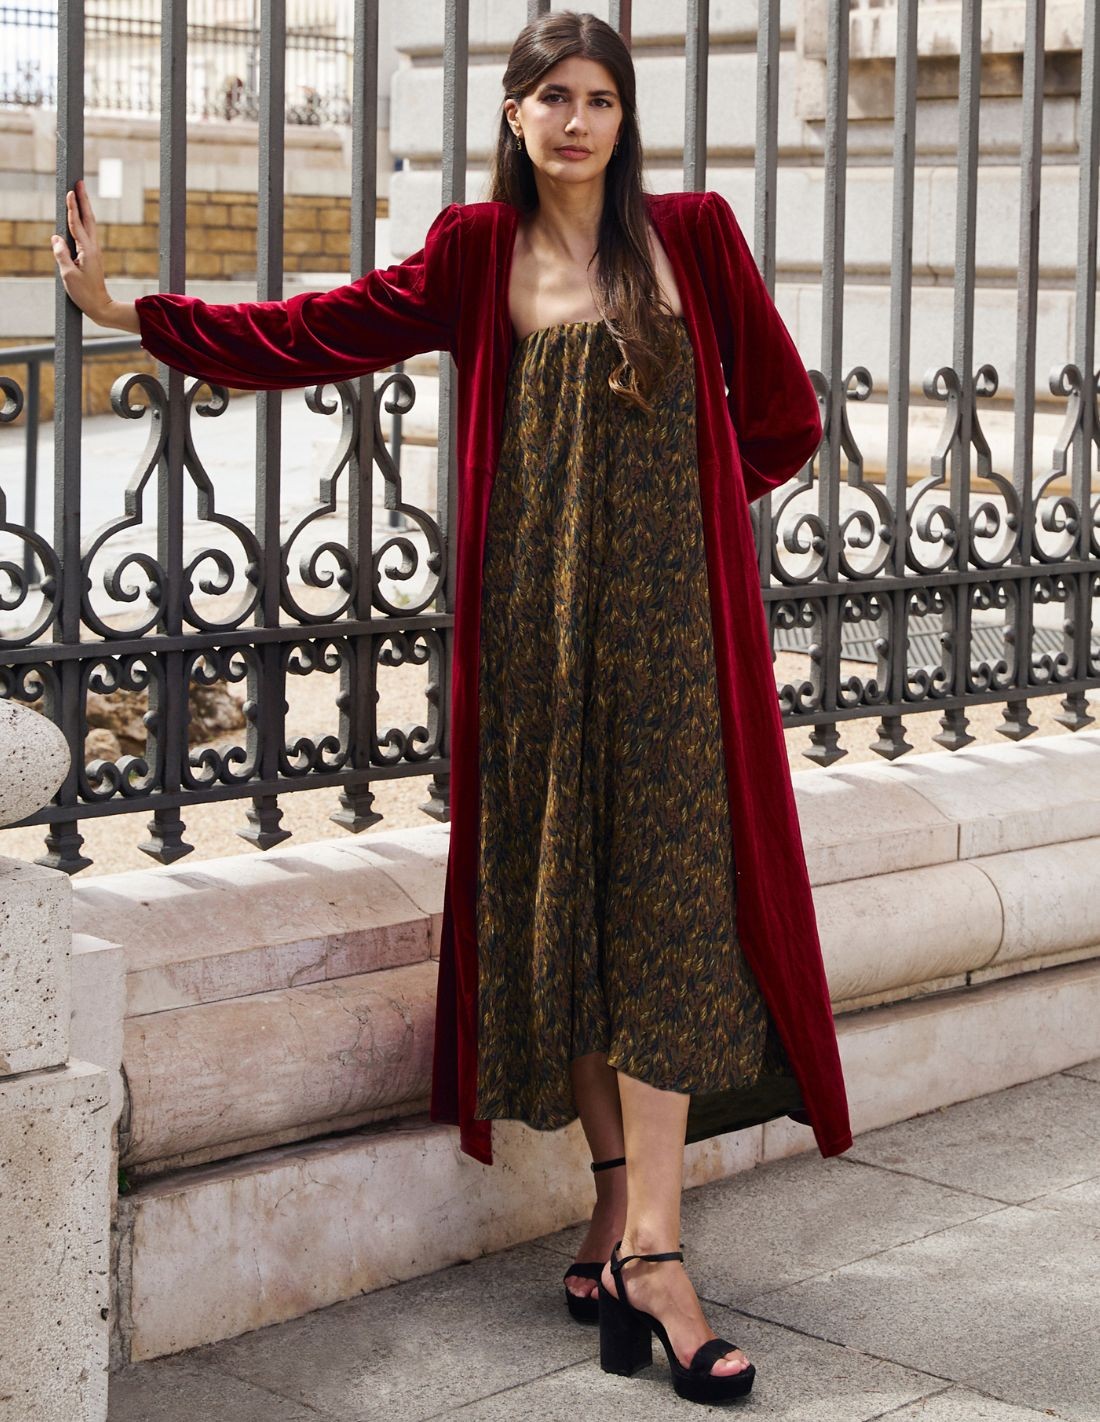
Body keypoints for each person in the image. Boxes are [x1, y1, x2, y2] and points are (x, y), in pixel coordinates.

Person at [51, 10, 852, 1406]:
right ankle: (619, 1211)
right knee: (571, 924)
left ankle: (659, 1256)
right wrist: (136, 316)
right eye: (555, 97)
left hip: (674, 653)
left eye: (601, 98)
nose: (578, 121)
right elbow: (315, 330)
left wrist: (687, 526)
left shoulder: (695, 237)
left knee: (669, 926)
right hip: (535, 651)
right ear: (512, 115)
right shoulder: (477, 254)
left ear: (625, 118)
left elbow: (782, 417)